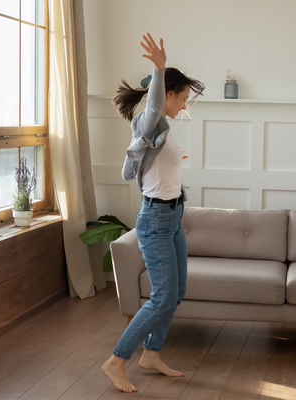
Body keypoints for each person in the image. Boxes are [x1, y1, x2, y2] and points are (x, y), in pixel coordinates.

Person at [101, 33, 204, 393]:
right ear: (169, 93)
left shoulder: (162, 129)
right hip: (156, 221)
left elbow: (157, 165)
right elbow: (155, 105)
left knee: (175, 293)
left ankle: (152, 354)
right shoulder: (147, 120)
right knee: (162, 296)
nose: (185, 104)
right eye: (183, 98)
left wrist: (173, 163)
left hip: (173, 217)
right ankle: (116, 360)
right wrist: (158, 69)